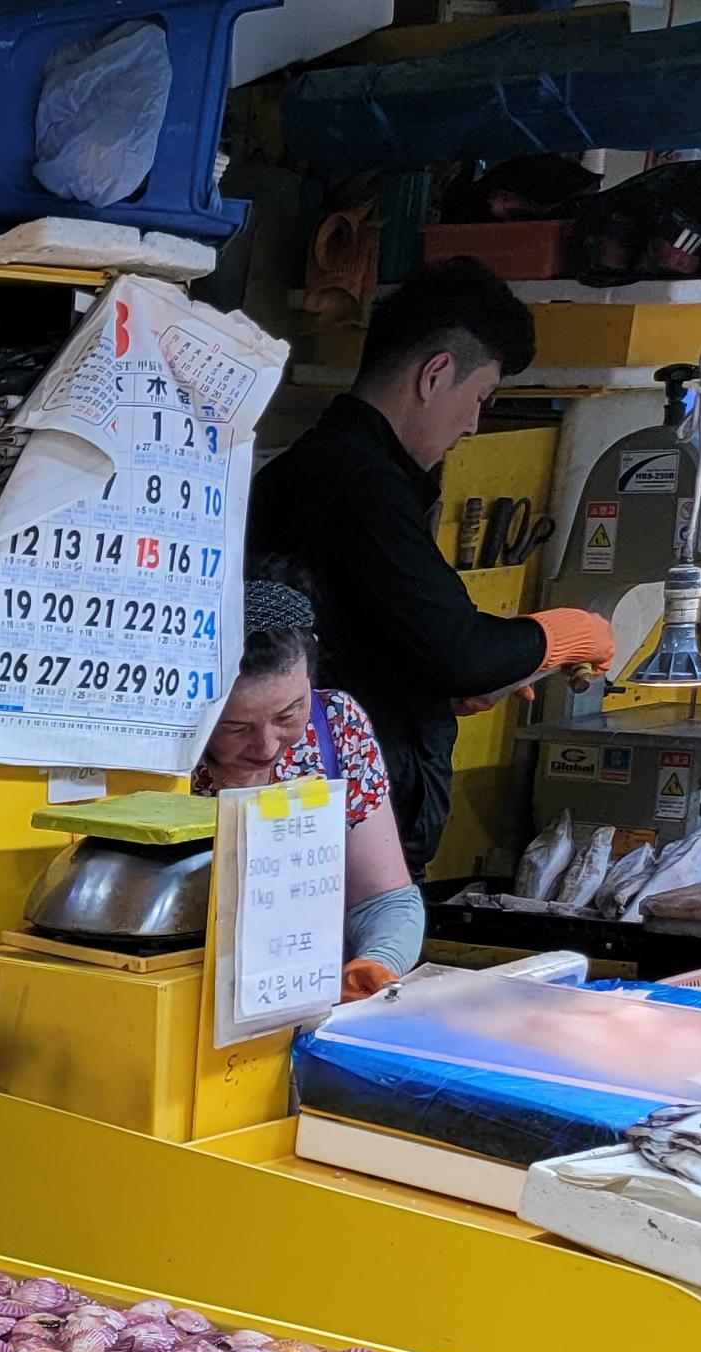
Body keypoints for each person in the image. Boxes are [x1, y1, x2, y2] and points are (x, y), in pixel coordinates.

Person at [253, 258, 618, 879]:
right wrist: (566, 634)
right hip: (344, 841)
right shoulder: (363, 486)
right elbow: (460, 650)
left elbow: (360, 637)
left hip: (319, 820)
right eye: (479, 398)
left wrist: (438, 686)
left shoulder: (307, 470)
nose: (473, 425)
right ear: (435, 374)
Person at [193, 571, 424, 999]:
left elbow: (385, 901)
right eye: (235, 726)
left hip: (307, 996)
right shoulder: (162, 763)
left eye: (288, 714)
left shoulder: (337, 728)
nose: (266, 745)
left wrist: (375, 963)